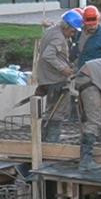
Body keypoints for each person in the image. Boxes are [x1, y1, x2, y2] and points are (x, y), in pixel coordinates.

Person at [35, 11, 83, 142]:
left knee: (49, 110)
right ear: (66, 27)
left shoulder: (52, 30)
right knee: (57, 112)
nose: (72, 35)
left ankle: (42, 141)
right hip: (55, 80)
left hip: (47, 77)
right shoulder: (58, 37)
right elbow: (48, 55)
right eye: (72, 32)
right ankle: (51, 142)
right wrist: (64, 69)